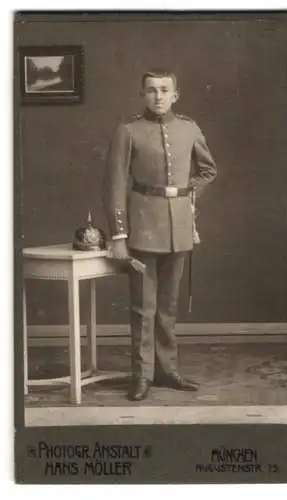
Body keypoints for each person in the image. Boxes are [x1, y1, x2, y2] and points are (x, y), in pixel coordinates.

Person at [103, 69, 217, 401]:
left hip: (178, 228)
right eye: (151, 90)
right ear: (143, 94)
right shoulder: (128, 131)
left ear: (175, 95)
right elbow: (115, 186)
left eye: (164, 90)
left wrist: (188, 195)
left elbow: (208, 169)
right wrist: (119, 235)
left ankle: (168, 371)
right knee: (143, 307)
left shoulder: (189, 128)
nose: (158, 96)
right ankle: (143, 375)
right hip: (142, 228)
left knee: (168, 307)